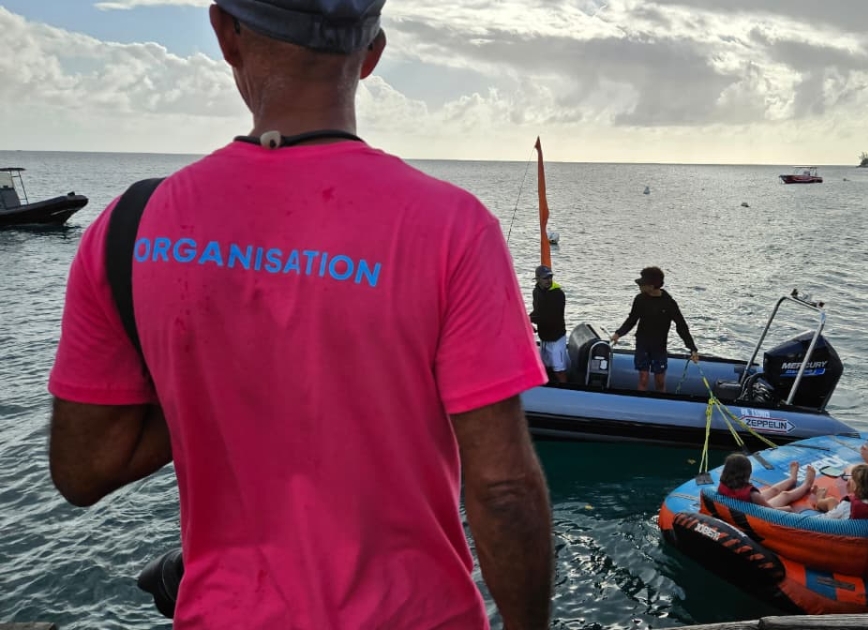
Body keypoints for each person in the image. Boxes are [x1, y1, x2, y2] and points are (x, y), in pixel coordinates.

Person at [45, 2, 554, 628]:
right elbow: (503, 491)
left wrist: (229, 373)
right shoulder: (452, 227)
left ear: (225, 34)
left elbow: (82, 471)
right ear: (372, 54)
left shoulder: (132, 226)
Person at [609, 266, 699, 392]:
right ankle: (640, 405)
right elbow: (632, 320)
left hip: (659, 347)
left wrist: (692, 348)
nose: (639, 286)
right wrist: (618, 334)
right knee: (643, 379)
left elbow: (681, 326)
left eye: (642, 284)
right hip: (642, 344)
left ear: (651, 286)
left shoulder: (669, 303)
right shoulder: (639, 299)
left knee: (660, 381)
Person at [717, 453, 817, 511]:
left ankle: (792, 479)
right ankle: (806, 485)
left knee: (773, 489)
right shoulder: (754, 495)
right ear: (746, 474)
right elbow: (769, 511)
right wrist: (787, 509)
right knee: (784, 495)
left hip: (747, 502)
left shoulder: (723, 485)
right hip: (756, 509)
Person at [529, 264, 568, 383]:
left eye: (550, 277)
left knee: (559, 371)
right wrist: (528, 319)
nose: (549, 280)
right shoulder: (536, 292)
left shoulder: (558, 294)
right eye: (545, 278)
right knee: (545, 368)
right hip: (545, 338)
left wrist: (528, 320)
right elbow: (538, 311)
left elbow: (550, 316)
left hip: (557, 338)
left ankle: (567, 393)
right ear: (538, 279)